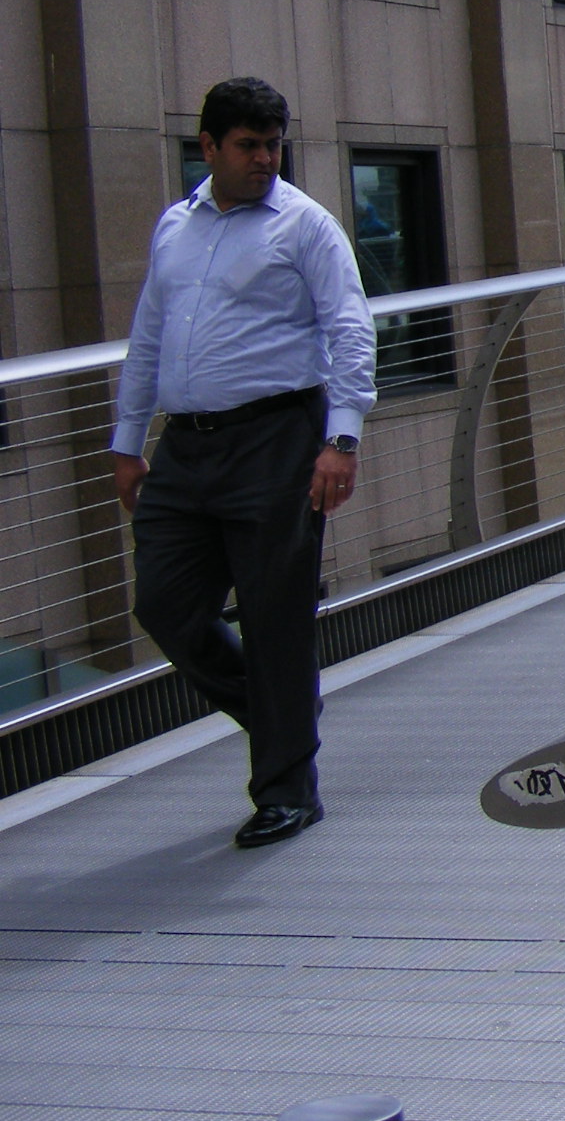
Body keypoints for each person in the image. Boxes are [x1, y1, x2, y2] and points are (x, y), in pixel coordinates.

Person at [110, 76, 376, 849]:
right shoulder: (175, 226)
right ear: (209, 147)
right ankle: (282, 716)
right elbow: (149, 338)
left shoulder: (305, 225)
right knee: (164, 604)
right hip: (185, 447)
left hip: (277, 440)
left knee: (274, 620)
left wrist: (342, 439)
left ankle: (287, 790)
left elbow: (350, 328)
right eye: (248, 145)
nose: (264, 159)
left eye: (273, 145)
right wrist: (127, 443)